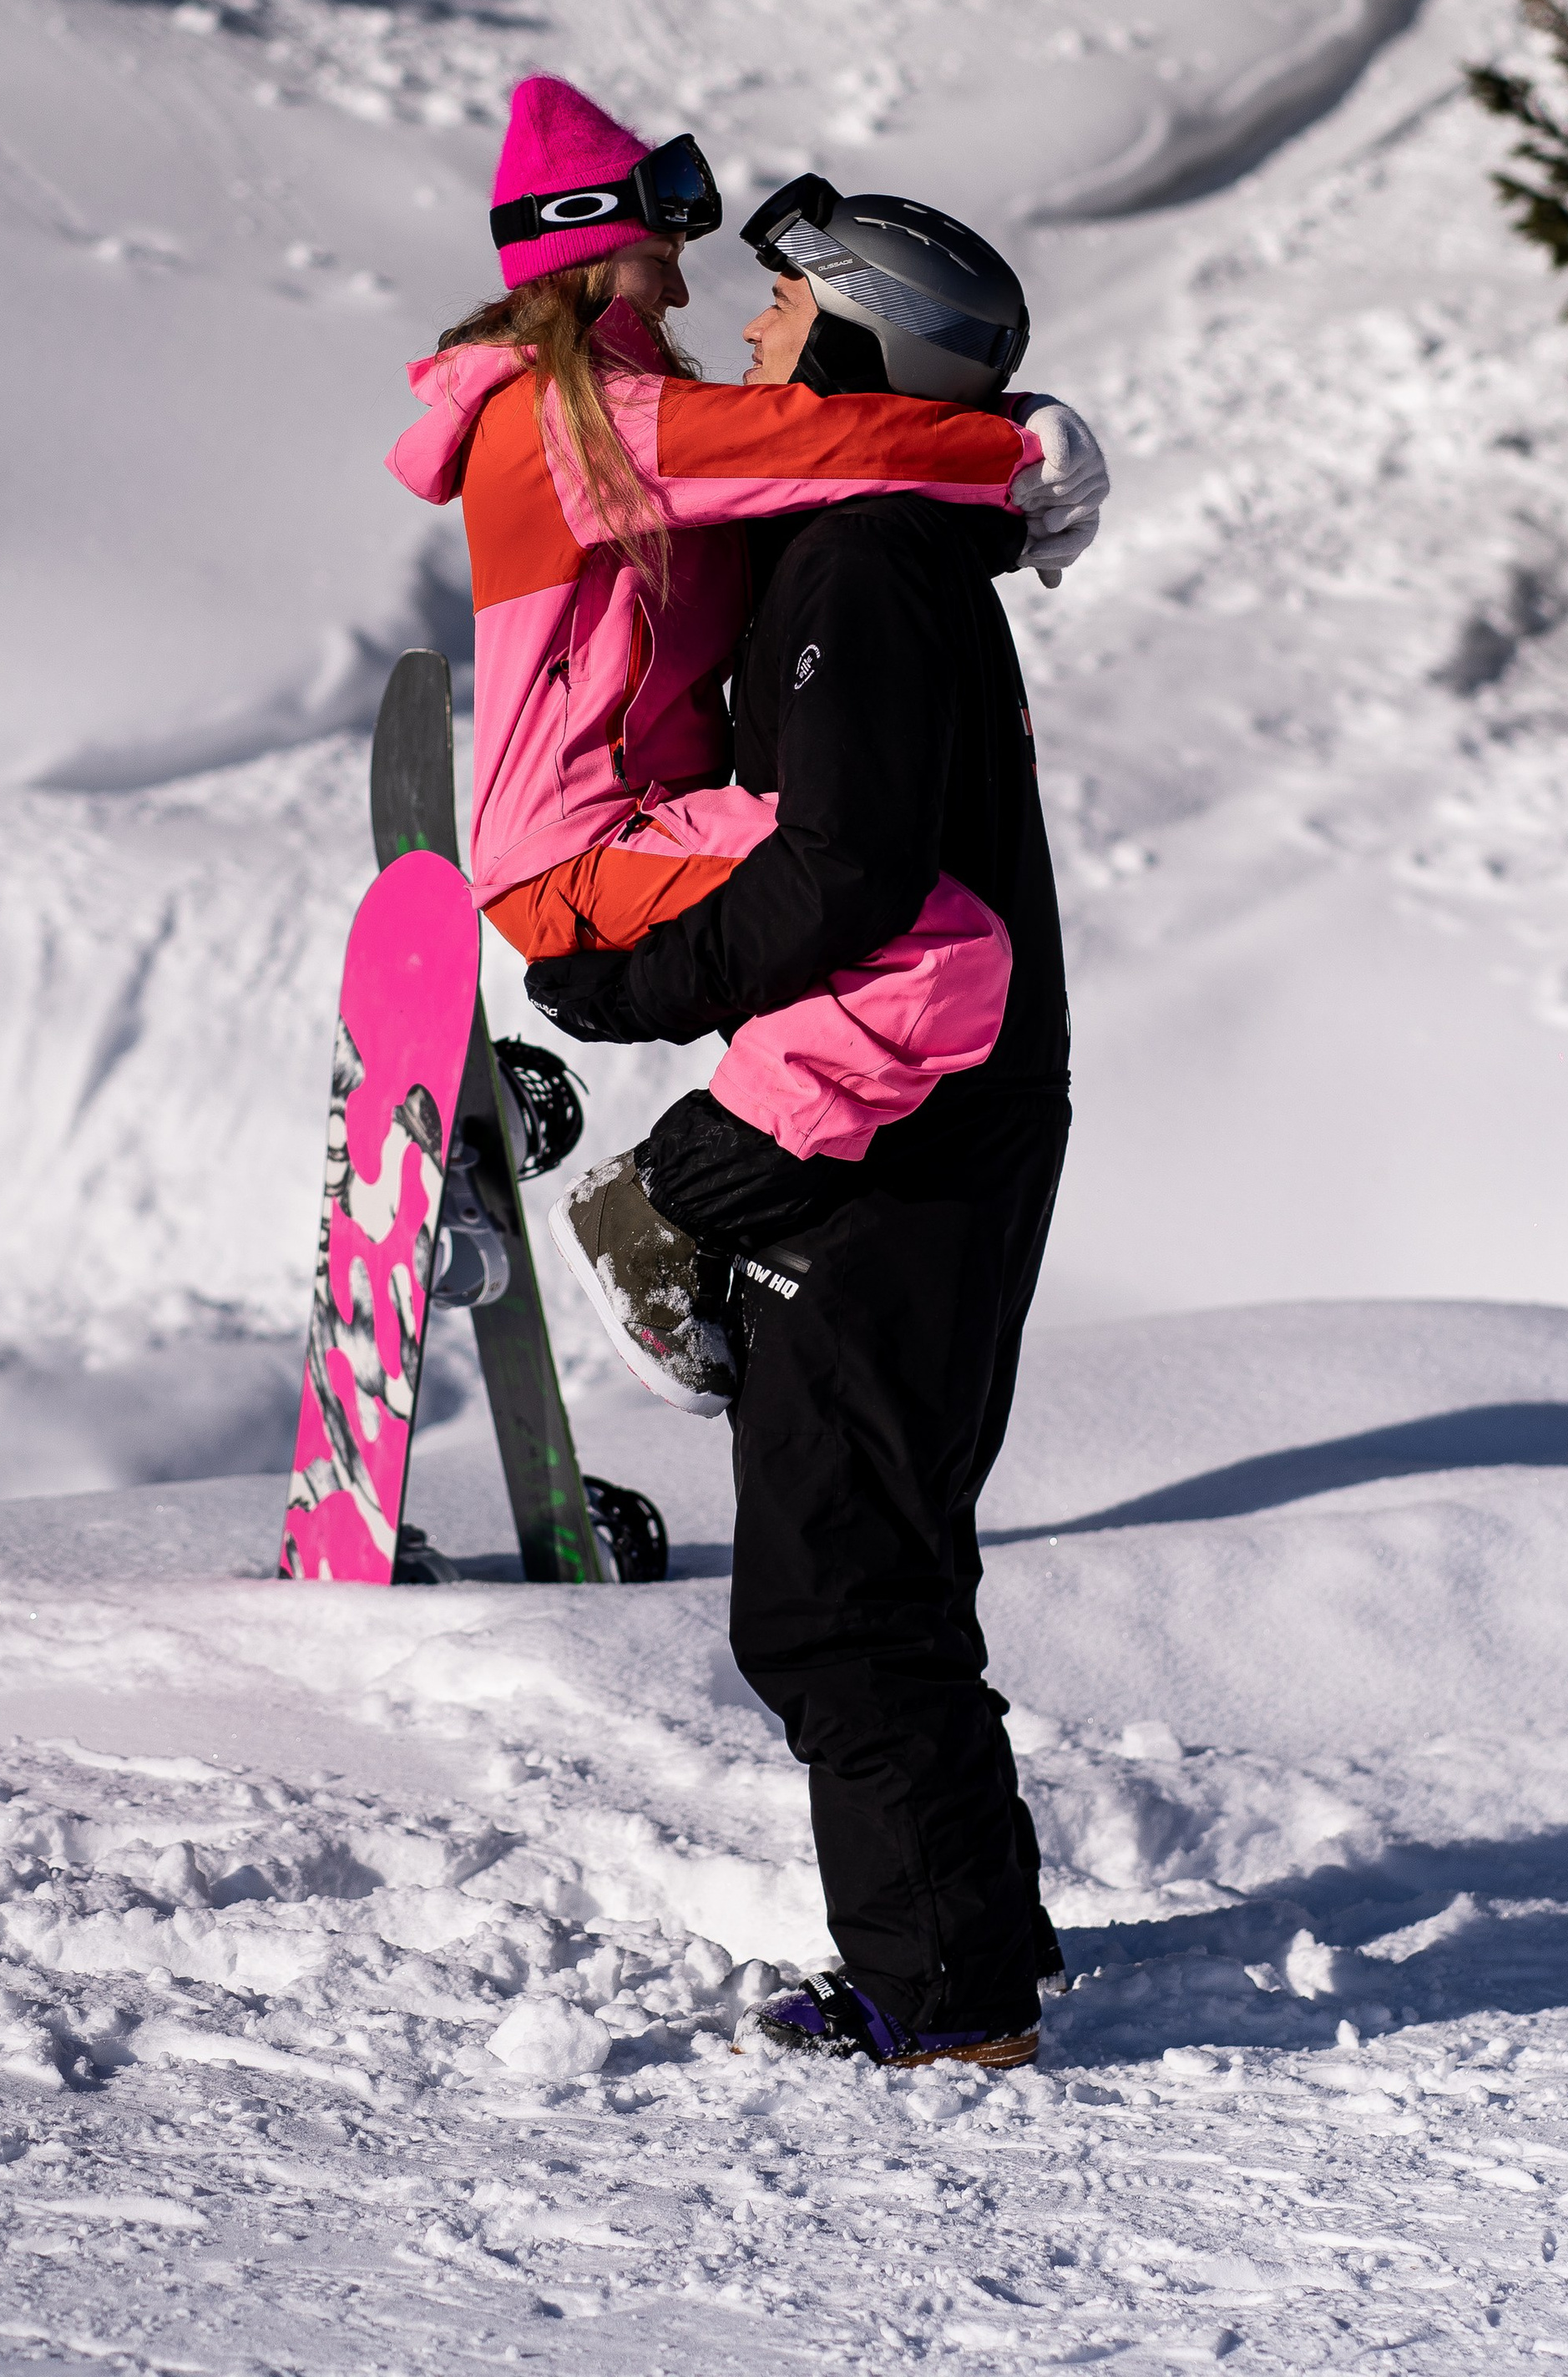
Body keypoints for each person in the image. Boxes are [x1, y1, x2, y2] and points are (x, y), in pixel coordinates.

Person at [534, 169, 1079, 2075]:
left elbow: (845, 868)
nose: (751, 347)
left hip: (909, 1123)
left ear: (860, 340)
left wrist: (634, 983)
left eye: (783, 321)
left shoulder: (860, 559)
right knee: (880, 1554)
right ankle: (973, 1941)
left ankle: (949, 2005)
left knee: (837, 1588)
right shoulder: (871, 545)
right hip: (937, 1102)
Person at [386, 80, 1107, 1408]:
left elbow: (814, 492)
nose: (684, 272)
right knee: (941, 950)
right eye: (665, 230)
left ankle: (715, 1214)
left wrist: (1001, 504)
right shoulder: (573, 419)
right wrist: (1014, 446)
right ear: (593, 236)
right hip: (578, 851)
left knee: (884, 928)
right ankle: (657, 1211)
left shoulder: (633, 412)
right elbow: (817, 441)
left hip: (652, 828)